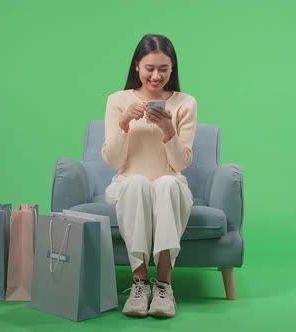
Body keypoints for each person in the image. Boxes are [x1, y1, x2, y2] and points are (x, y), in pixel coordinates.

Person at [102, 34, 197, 318]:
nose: (156, 76)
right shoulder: (118, 100)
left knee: (167, 183)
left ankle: (165, 285)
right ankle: (140, 283)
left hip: (170, 183)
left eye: (163, 69)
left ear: (173, 68)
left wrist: (169, 131)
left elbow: (182, 163)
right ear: (136, 66)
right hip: (128, 182)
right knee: (138, 183)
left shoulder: (185, 103)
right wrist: (124, 123)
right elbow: (112, 160)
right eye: (150, 68)